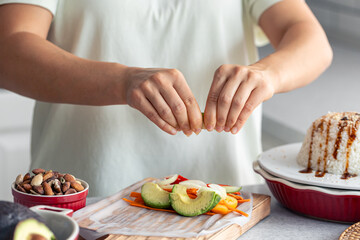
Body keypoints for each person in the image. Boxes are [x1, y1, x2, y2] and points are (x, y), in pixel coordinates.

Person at [0, 0, 332, 197]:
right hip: (81, 203)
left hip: (223, 206)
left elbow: (311, 40)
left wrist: (268, 74)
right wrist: (122, 81)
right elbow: (8, 48)